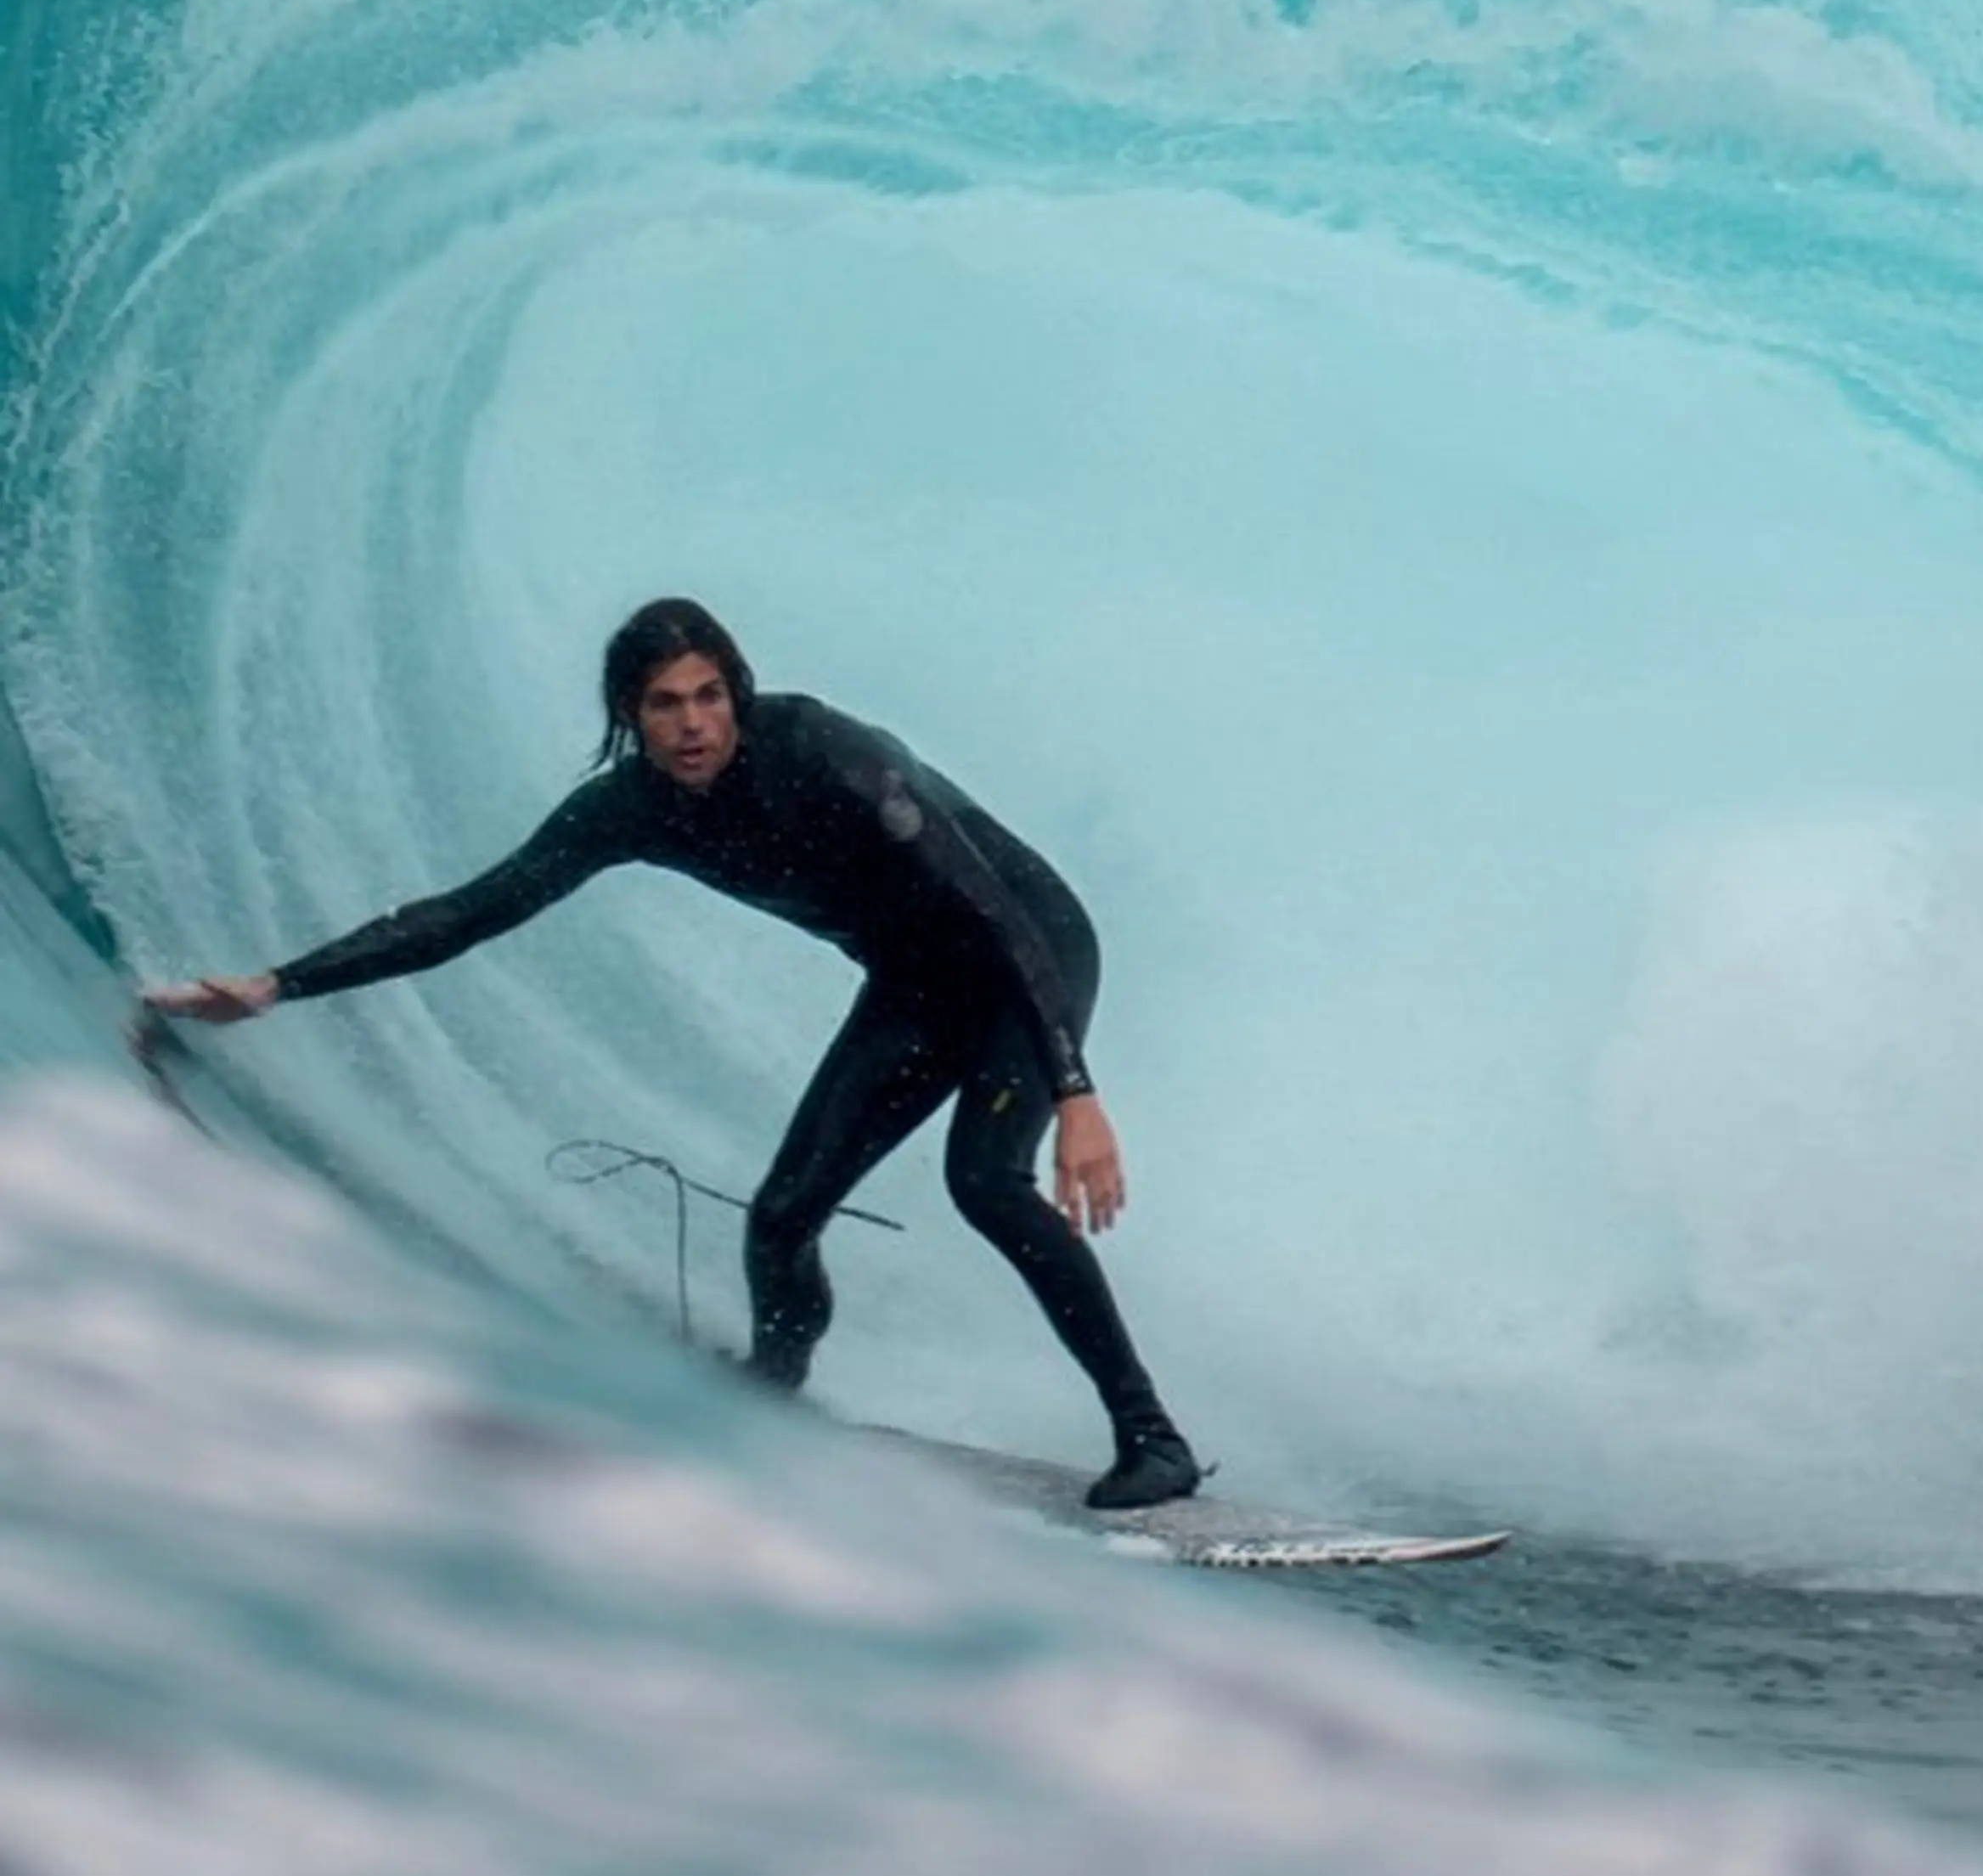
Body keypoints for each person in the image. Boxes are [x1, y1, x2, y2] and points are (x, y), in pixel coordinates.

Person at [144, 596, 1203, 1510]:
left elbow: (987, 901)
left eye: (708, 695)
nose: (693, 724)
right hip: (919, 981)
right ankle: (772, 1387)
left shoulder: (831, 752)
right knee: (785, 1212)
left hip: (1029, 948)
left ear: (736, 692)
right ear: (630, 714)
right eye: (665, 703)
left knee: (984, 1179)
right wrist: (278, 983)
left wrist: (1074, 1086)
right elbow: (474, 910)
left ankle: (1152, 1437)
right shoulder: (629, 810)